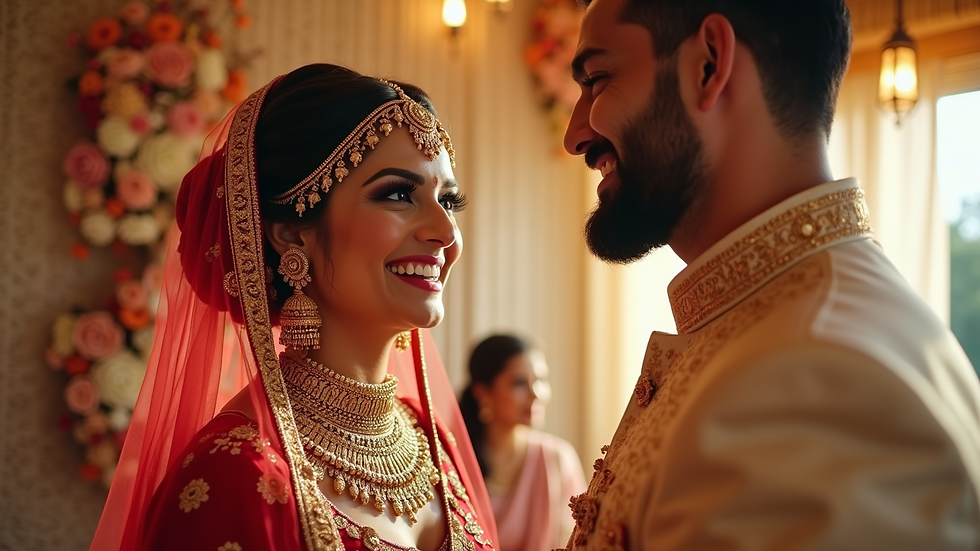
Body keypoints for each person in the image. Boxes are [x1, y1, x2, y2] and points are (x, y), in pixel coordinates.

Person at [560, 0, 980, 549]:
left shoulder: (816, 381)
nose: (574, 135)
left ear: (709, 65)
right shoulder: (781, 328)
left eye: (597, 79)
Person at [88, 63, 497, 551]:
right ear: (288, 232)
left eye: (449, 201)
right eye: (397, 194)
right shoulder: (233, 473)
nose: (446, 233)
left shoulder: (431, 443)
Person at [458, 335, 586, 551]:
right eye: (519, 383)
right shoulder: (453, 461)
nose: (537, 394)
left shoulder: (557, 459)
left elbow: (579, 541)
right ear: (483, 392)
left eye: (541, 380)